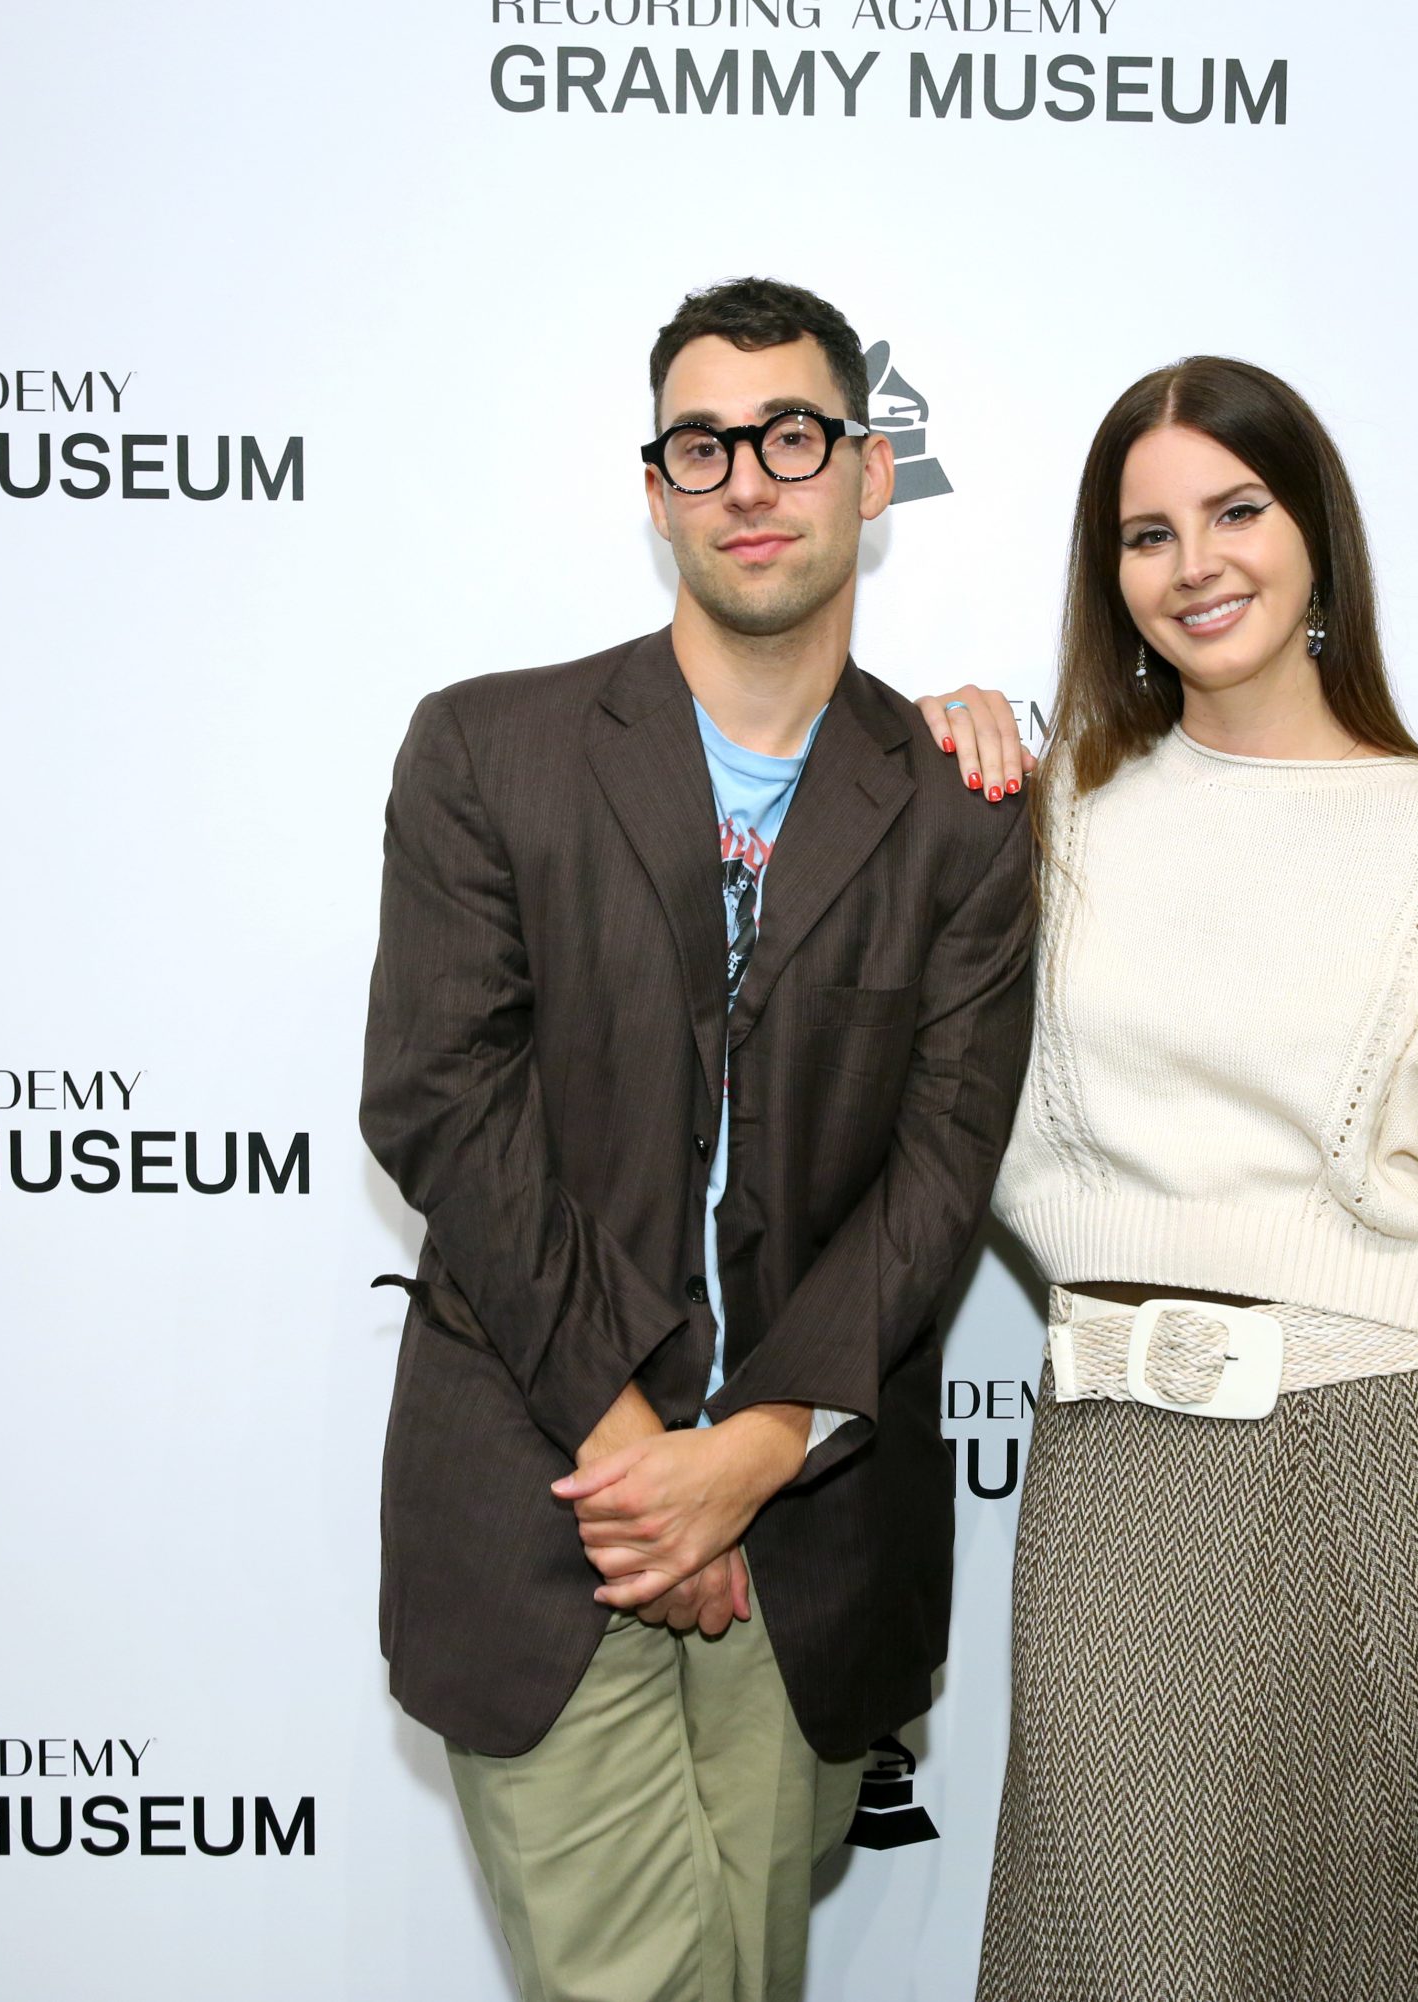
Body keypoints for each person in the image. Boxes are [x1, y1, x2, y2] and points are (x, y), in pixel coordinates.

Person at [360, 276, 1036, 2002]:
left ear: (870, 474)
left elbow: (940, 1173)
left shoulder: (959, 813)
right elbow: (443, 1097)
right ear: (655, 490)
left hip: (811, 1532)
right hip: (552, 1497)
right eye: (702, 445)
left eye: (792, 436)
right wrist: (648, 1459)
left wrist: (753, 1452)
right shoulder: (487, 748)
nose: (748, 478)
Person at [920, 356, 1418, 2000]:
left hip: (1364, 1475)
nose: (1197, 563)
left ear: (1316, 538)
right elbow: (929, 1106)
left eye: (1238, 510)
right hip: (1108, 1488)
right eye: (1147, 533)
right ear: (1110, 576)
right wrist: (916, 792)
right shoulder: (1052, 824)